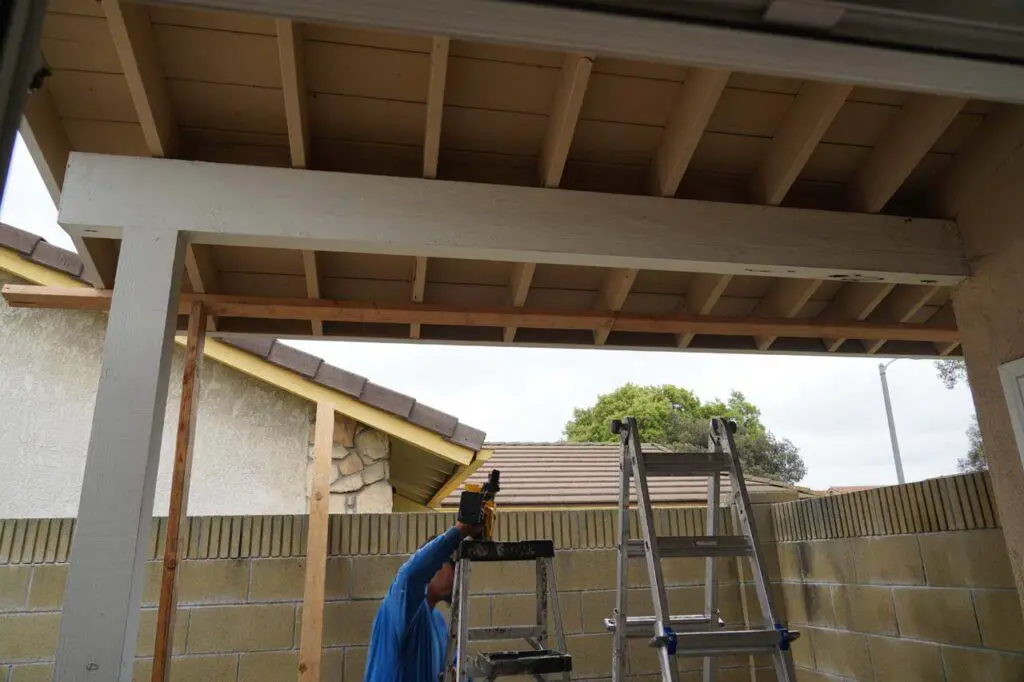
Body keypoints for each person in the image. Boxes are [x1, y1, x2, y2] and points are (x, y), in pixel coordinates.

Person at [363, 518, 484, 681]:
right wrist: (459, 531)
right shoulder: (400, 604)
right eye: (453, 564)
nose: (457, 573)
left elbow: (455, 665)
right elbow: (412, 575)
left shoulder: (438, 622)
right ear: (434, 566)